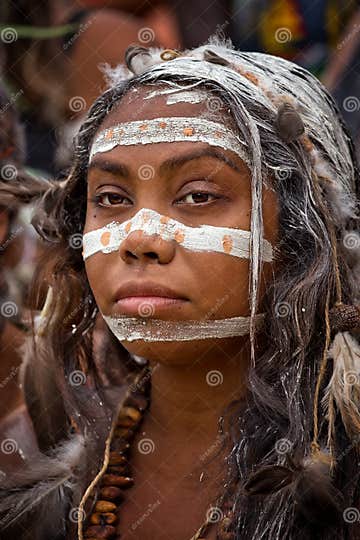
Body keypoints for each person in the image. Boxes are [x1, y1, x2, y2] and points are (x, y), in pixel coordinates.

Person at [0, 35, 359, 539]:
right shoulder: (27, 483)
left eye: (197, 195)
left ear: (302, 233)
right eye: (111, 197)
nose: (141, 237)